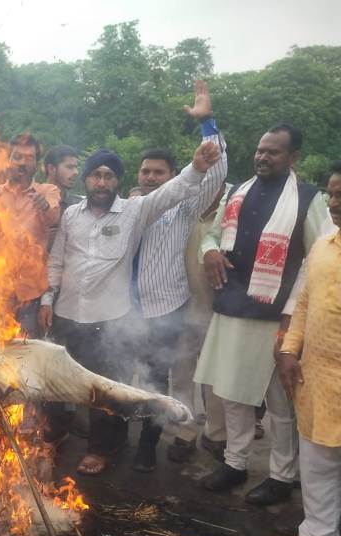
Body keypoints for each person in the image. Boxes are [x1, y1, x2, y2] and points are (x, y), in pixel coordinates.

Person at [38, 139, 221, 476]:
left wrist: (196, 167)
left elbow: (175, 191)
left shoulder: (135, 212)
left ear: (118, 181)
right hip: (66, 315)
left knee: (105, 388)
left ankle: (102, 448)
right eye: (96, 175)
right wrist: (48, 298)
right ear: (87, 180)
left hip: (109, 320)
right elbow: (57, 261)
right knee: (60, 383)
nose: (102, 182)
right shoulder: (71, 216)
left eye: (109, 176)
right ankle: (55, 435)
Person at [195, 124, 328, 505]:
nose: (262, 157)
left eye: (273, 152)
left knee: (278, 403)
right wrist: (209, 251)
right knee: (231, 393)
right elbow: (211, 234)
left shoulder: (306, 198)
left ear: (293, 158)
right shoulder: (238, 192)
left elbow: (320, 258)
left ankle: (282, 476)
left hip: (277, 315)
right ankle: (235, 463)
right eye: (260, 150)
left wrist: (293, 317)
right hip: (231, 307)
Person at [128, 80, 228, 471]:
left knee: (157, 379)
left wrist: (208, 124)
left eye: (158, 172)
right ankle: (122, 438)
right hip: (123, 309)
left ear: (173, 175)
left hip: (165, 308)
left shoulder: (184, 209)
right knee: (122, 376)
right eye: (145, 171)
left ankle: (147, 448)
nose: (151, 177)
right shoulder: (127, 209)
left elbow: (217, 171)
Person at [267, 163, 341, 536]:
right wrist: (289, 350)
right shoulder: (325, 246)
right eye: (332, 194)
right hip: (320, 378)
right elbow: (306, 302)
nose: (334, 203)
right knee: (317, 460)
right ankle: (318, 534)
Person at [0, 133, 61, 337]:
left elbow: (54, 218)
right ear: (8, 160)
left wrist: (43, 206)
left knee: (25, 357)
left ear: (37, 164)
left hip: (30, 297)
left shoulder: (47, 191)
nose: (22, 163)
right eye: (17, 157)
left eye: (29, 158)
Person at [167, 183, 231, 463]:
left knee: (216, 374)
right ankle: (185, 431)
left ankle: (216, 434)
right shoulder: (183, 206)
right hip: (181, 305)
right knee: (181, 371)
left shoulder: (234, 205)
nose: (209, 186)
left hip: (219, 306)